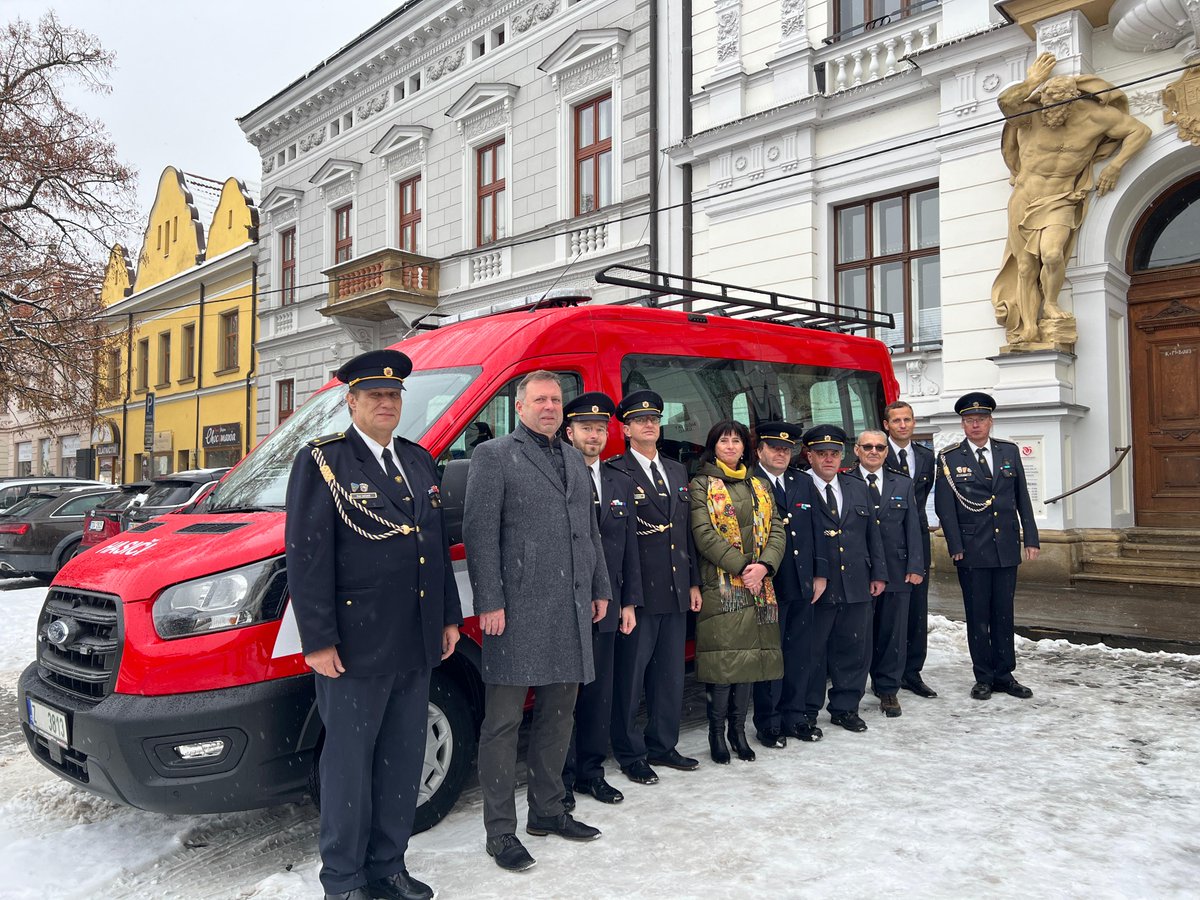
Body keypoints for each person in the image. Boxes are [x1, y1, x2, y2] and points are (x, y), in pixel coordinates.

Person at [284, 349, 462, 900]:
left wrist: (448, 616)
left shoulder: (417, 460)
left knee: (403, 760)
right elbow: (307, 556)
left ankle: (389, 865)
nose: (387, 403)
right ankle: (343, 879)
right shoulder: (323, 462)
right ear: (351, 401)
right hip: (355, 644)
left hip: (415, 636)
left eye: (393, 395)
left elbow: (433, 547)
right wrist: (318, 639)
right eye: (375, 395)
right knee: (349, 764)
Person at [463, 370, 611, 873]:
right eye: (540, 399)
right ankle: (500, 832)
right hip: (516, 610)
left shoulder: (573, 457)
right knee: (503, 723)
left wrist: (600, 588)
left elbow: (588, 532)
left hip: (570, 606)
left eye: (555, 400)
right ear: (519, 406)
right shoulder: (494, 455)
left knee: (558, 715)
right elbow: (480, 533)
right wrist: (489, 601)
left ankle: (547, 811)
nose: (549, 406)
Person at [991, 52, 1150, 346]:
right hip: (1024, 196)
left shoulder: (1093, 118)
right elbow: (1006, 103)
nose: (1049, 112)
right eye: (1045, 103)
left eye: (1056, 105)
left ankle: (1051, 303)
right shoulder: (1031, 117)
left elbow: (1139, 131)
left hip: (1061, 197)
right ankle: (1029, 328)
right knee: (1025, 267)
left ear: (1072, 102)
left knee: (1052, 254)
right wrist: (1033, 81)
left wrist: (1116, 166)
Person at [608, 390, 702, 786]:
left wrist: (693, 582)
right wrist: (626, 599)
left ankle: (663, 744)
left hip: (676, 589)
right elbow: (619, 542)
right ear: (626, 429)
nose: (649, 424)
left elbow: (685, 533)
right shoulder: (617, 472)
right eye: (639, 420)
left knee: (670, 677)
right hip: (640, 594)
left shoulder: (677, 471)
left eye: (654, 419)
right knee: (630, 680)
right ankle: (630, 753)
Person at [560, 391, 641, 809]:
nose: (593, 435)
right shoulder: (555, 476)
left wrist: (628, 602)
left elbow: (628, 549)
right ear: (568, 432)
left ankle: (591, 772)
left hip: (607, 605)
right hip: (566, 604)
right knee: (562, 698)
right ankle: (560, 778)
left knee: (599, 694)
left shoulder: (619, 481)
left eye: (599, 429)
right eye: (585, 428)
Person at [689, 420, 786, 764]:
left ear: (745, 447)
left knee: (748, 663)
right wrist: (745, 568)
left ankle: (738, 732)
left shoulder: (759, 484)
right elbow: (703, 534)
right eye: (723, 441)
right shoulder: (701, 484)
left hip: (759, 585)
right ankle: (717, 734)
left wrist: (764, 567)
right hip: (722, 586)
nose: (730, 446)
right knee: (723, 664)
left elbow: (777, 530)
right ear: (713, 447)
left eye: (736, 441)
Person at [935, 392, 1040, 700]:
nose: (975, 425)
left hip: (1005, 546)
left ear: (990, 422)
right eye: (969, 420)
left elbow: (1022, 497)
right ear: (962, 424)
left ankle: (1005, 675)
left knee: (1004, 615)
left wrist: (1031, 537)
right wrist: (955, 544)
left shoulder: (1008, 451)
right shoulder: (950, 458)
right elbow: (945, 506)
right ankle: (983, 676)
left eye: (980, 419)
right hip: (971, 549)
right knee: (978, 615)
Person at [801, 425, 887, 734]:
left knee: (854, 649)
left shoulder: (856, 486)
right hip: (817, 586)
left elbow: (872, 533)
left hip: (856, 580)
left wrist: (879, 573)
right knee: (813, 652)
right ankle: (807, 709)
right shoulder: (799, 486)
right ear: (809, 456)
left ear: (842, 456)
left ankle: (846, 707)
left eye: (834, 454)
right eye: (821, 453)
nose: (828, 459)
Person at [750, 422, 827, 747]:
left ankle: (795, 716)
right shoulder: (749, 482)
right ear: (760, 451)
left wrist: (820, 573)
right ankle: (769, 722)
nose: (781, 454)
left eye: (786, 449)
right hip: (768, 584)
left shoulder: (802, 481)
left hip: (801, 581)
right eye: (774, 448)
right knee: (770, 654)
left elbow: (817, 528)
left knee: (799, 652)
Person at [848, 429, 924, 718]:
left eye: (880, 447)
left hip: (896, 570)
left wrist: (915, 566)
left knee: (893, 634)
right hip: (859, 571)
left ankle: (888, 689)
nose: (874, 451)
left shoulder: (902, 483)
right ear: (856, 450)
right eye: (867, 446)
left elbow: (912, 527)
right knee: (859, 635)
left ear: (886, 452)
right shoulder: (845, 481)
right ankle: (852, 691)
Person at [882, 401, 939, 699]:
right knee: (889, 610)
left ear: (914, 422)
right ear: (887, 425)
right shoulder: (878, 453)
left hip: (918, 538)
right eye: (897, 420)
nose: (903, 425)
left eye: (907, 420)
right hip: (888, 541)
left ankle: (912, 672)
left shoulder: (926, 457)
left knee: (917, 608)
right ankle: (885, 673)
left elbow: (924, 498)